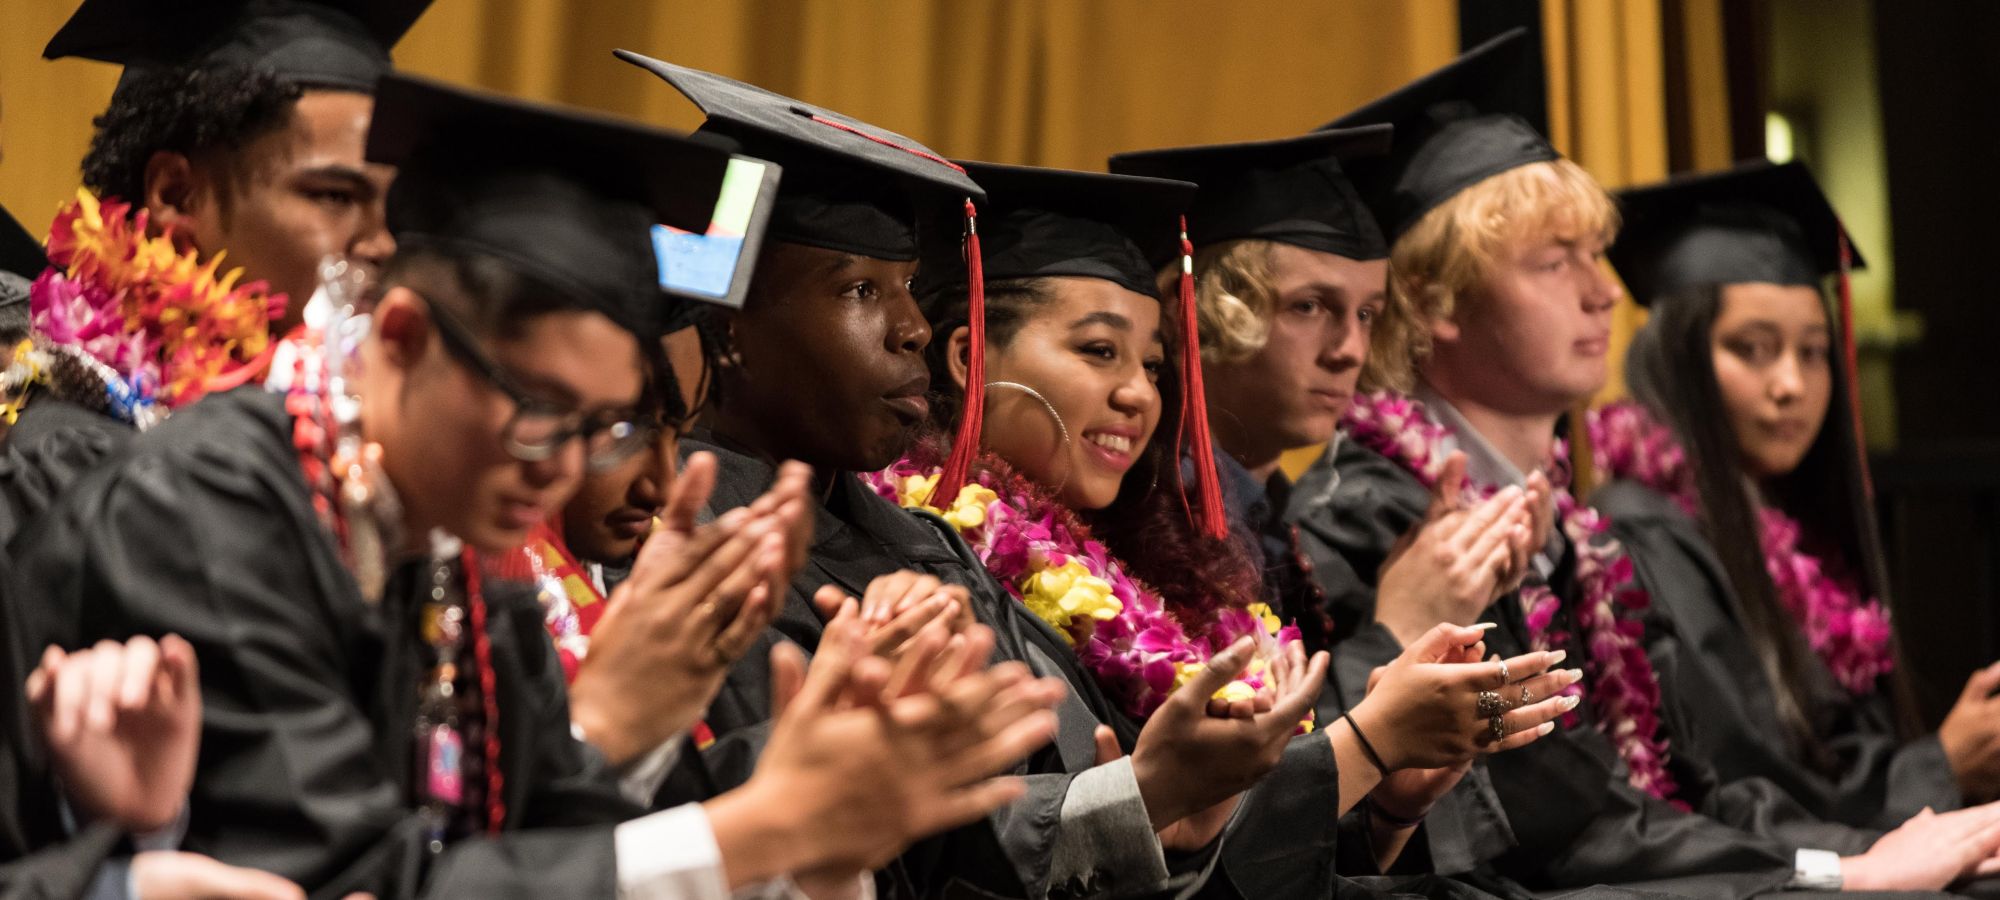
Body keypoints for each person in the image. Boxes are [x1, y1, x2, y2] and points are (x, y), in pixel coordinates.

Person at [12, 72, 1059, 899]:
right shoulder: (208, 505)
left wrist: (785, 788)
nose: (561, 465)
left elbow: (543, 826)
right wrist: (763, 824)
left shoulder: (449, 532)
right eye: (541, 409)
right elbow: (337, 881)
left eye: (602, 422)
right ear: (408, 338)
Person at [620, 50, 1345, 899]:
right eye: (860, 289)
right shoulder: (690, 560)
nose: (911, 328)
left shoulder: (927, 544)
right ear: (726, 326)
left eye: (906, 288)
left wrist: (1176, 802)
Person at [1296, 27, 2000, 896]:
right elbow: (1557, 829)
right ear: (1435, 300)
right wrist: (1841, 874)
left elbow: (1696, 788)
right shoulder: (1380, 516)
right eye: (1556, 264)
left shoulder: (1575, 533)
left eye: (1595, 257)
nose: (1603, 291)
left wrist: (1862, 854)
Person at [893, 158, 1578, 897]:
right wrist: (1368, 737)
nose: (1137, 394)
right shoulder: (923, 571)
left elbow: (1226, 844)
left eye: (1153, 365)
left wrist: (1385, 805)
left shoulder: (1158, 567)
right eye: (1099, 351)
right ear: (968, 355)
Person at [1591, 159, 2000, 829]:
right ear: (1682, 360)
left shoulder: (1787, 528)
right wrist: (1941, 767)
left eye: (1812, 352)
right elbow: (1737, 778)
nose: (1791, 384)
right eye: (1753, 349)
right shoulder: (1643, 539)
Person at [0, 0, 430, 545]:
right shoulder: (73, 462)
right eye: (334, 196)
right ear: (175, 195)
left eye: (393, 209)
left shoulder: (378, 441)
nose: (382, 243)